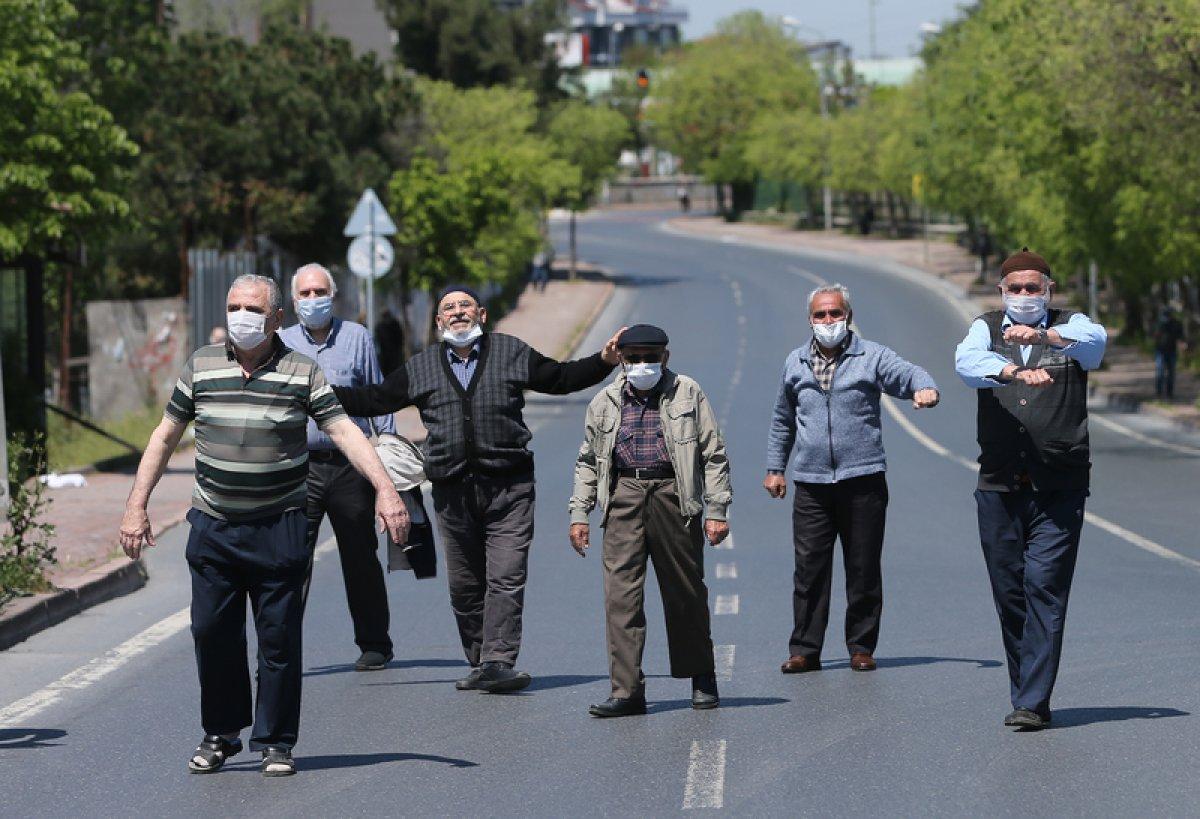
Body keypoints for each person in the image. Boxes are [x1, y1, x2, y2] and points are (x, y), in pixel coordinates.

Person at [118, 274, 409, 777]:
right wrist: (135, 504)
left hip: (280, 526)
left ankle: (275, 740)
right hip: (214, 526)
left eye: (252, 308)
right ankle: (222, 733)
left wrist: (386, 488)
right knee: (211, 632)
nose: (240, 316)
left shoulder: (302, 370)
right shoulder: (202, 364)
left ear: (277, 318)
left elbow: (343, 430)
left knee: (278, 639)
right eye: (233, 306)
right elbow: (165, 435)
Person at [333, 284, 624, 693]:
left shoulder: (510, 352)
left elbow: (560, 378)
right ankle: (479, 660)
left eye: (465, 305)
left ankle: (498, 660)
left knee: (505, 578)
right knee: (465, 587)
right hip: (452, 494)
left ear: (482, 315)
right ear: (438, 322)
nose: (457, 312)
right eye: (448, 307)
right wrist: (314, 393)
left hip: (510, 488)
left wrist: (604, 361)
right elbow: (374, 399)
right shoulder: (421, 367)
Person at [955, 248, 1107, 731]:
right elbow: (966, 362)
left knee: (1044, 587)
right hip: (999, 484)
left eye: (1033, 287)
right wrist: (1013, 371)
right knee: (1010, 593)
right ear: (1002, 292)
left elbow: (1095, 343)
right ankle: (1027, 692)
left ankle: (1032, 701)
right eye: (1014, 288)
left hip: (1059, 486)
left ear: (1049, 290)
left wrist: (1044, 336)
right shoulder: (985, 328)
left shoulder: (1070, 326)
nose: (1023, 295)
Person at [765, 284, 939, 676]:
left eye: (835, 313)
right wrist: (776, 467)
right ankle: (805, 650)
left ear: (848, 316)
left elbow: (907, 373)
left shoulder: (870, 356)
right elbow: (782, 420)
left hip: (863, 480)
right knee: (809, 569)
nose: (828, 321)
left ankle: (861, 646)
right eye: (820, 315)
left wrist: (925, 387)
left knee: (862, 567)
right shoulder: (794, 363)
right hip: (811, 483)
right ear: (810, 319)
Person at [569, 325, 732, 717]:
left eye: (651, 357)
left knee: (685, 590)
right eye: (635, 358)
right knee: (621, 598)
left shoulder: (687, 392)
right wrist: (580, 514)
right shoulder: (604, 401)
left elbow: (713, 454)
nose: (643, 364)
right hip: (624, 495)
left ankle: (701, 676)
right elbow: (588, 461)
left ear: (665, 358)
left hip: (674, 495)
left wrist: (717, 510)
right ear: (621, 359)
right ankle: (627, 691)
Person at [279, 263, 398, 672]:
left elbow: (376, 396)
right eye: (305, 294)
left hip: (350, 467)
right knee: (291, 561)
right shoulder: (280, 342)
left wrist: (388, 464)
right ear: (293, 301)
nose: (313, 300)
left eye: (320, 292)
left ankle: (375, 643)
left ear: (334, 295)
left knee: (360, 557)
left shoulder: (357, 338)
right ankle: (281, 649)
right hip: (299, 469)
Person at [1153, 306, 1184, 398]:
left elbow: (1181, 337)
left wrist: (1182, 344)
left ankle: (1169, 393)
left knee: (1171, 373)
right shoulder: (1159, 324)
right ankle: (1159, 393)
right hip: (1160, 351)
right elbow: (1153, 336)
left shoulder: (1176, 324)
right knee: (1160, 372)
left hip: (1172, 351)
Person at [375, 309, 405, 377]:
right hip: (388, 355)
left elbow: (400, 338)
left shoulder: (381, 326)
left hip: (388, 355)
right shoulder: (382, 326)